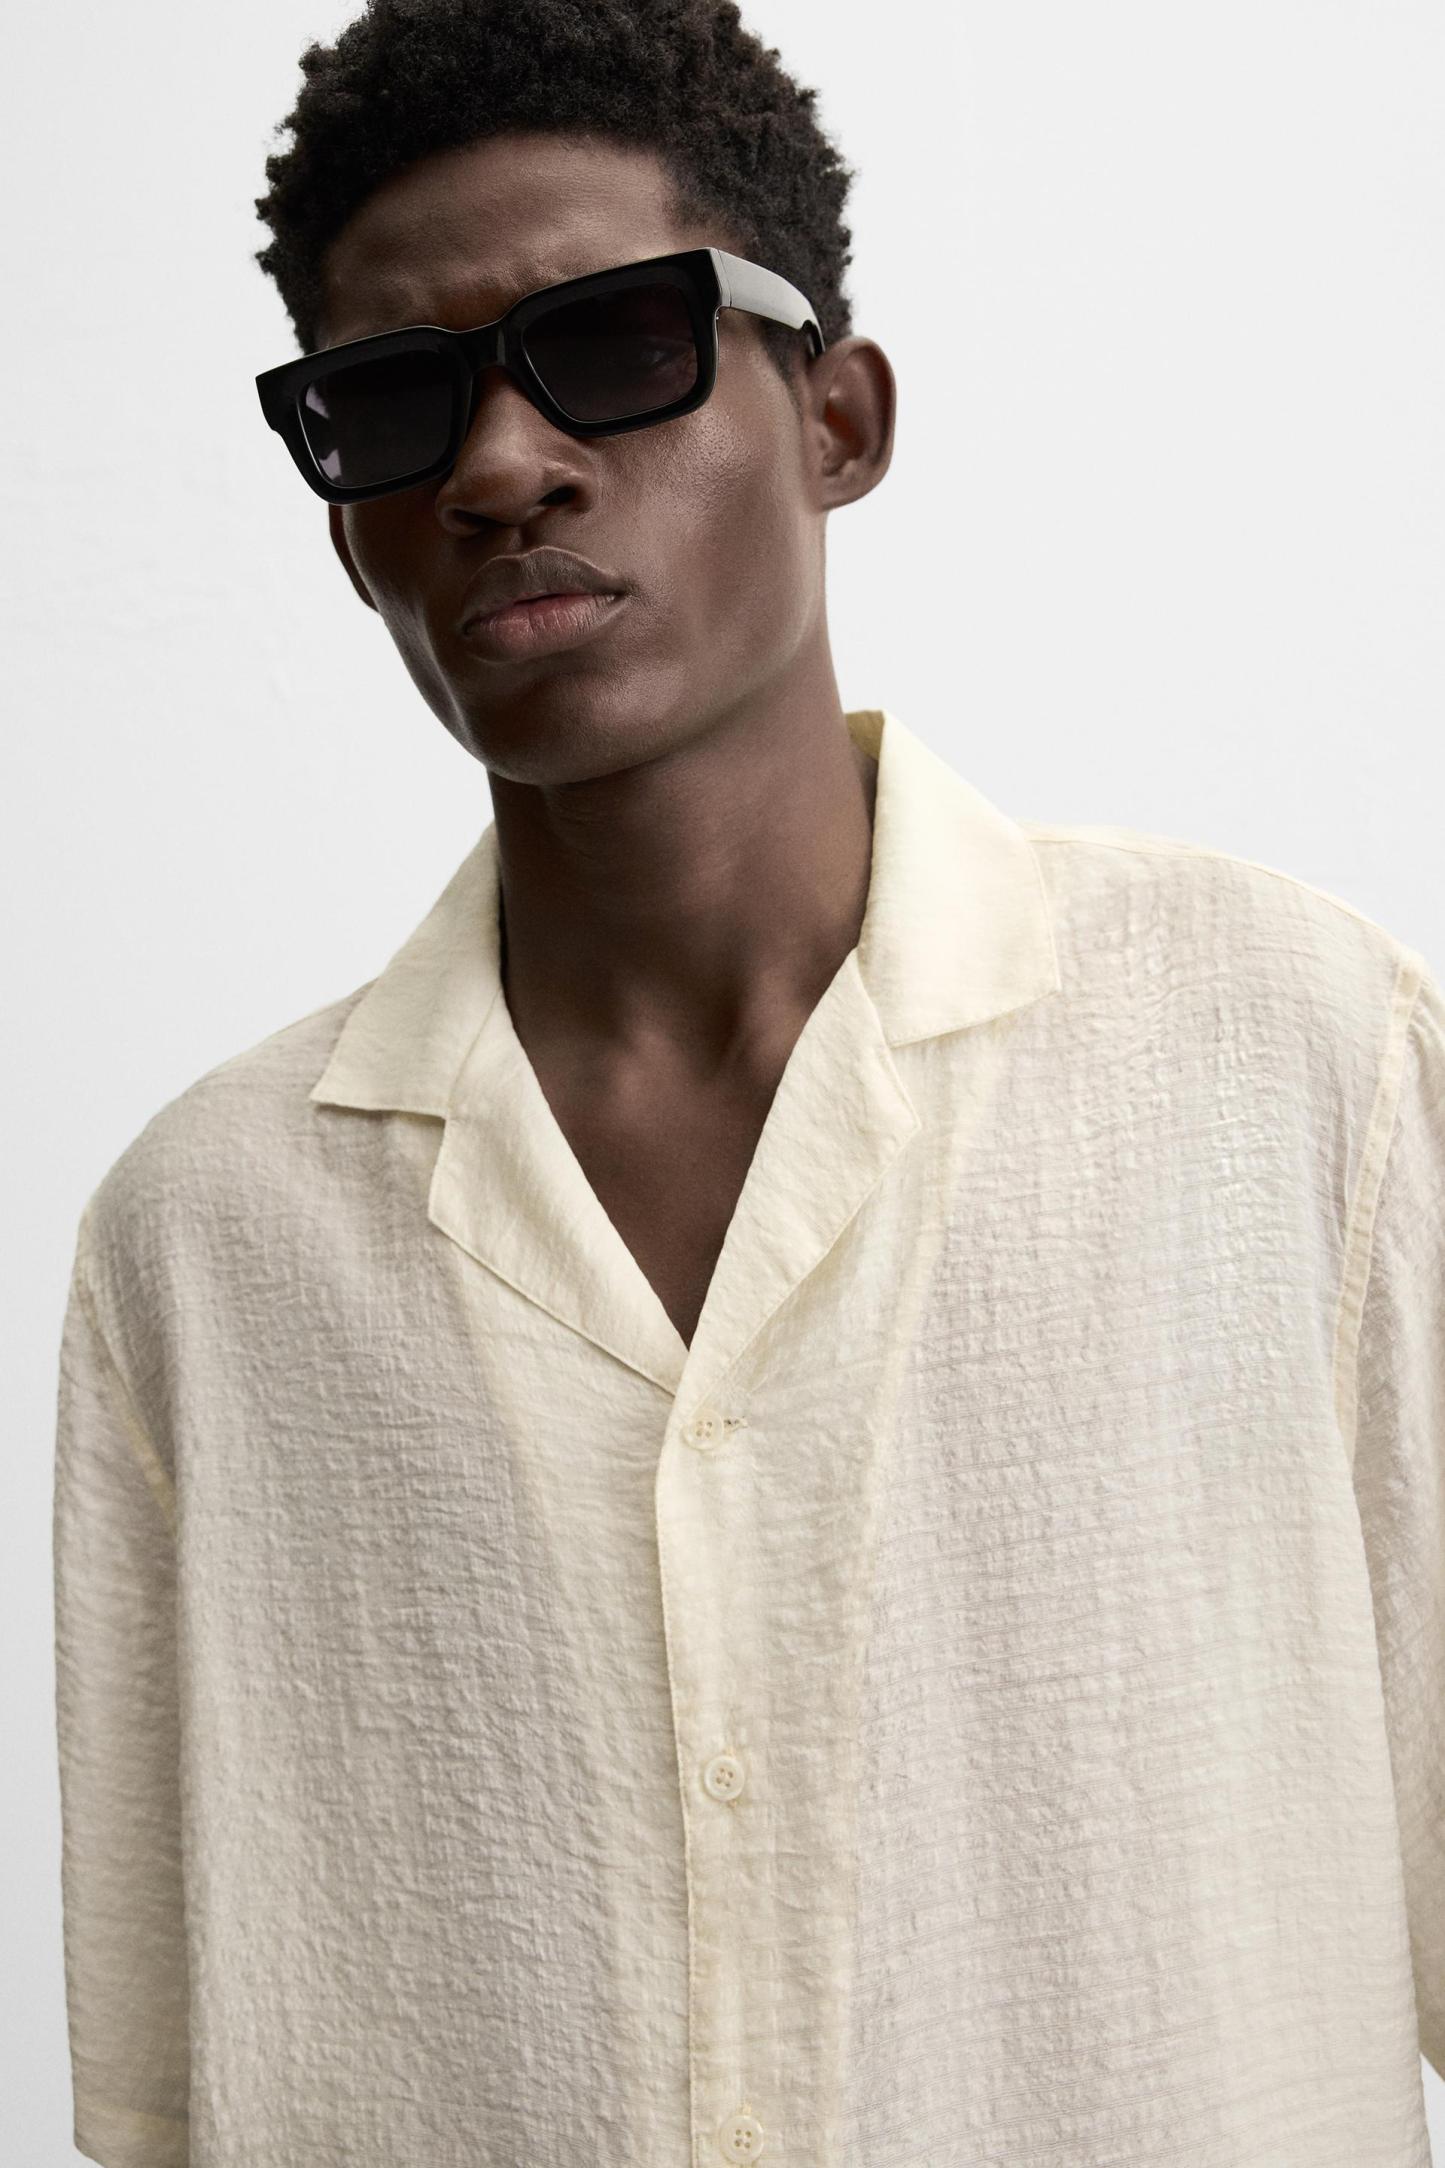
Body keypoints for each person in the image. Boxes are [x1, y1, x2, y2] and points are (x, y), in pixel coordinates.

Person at [51, 2, 1445, 2164]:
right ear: (347, 527)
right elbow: (166, 2100)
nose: (499, 467)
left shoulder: (1291, 1053)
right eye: (396, 402)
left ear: (839, 420)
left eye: (615, 342)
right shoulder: (209, 1239)